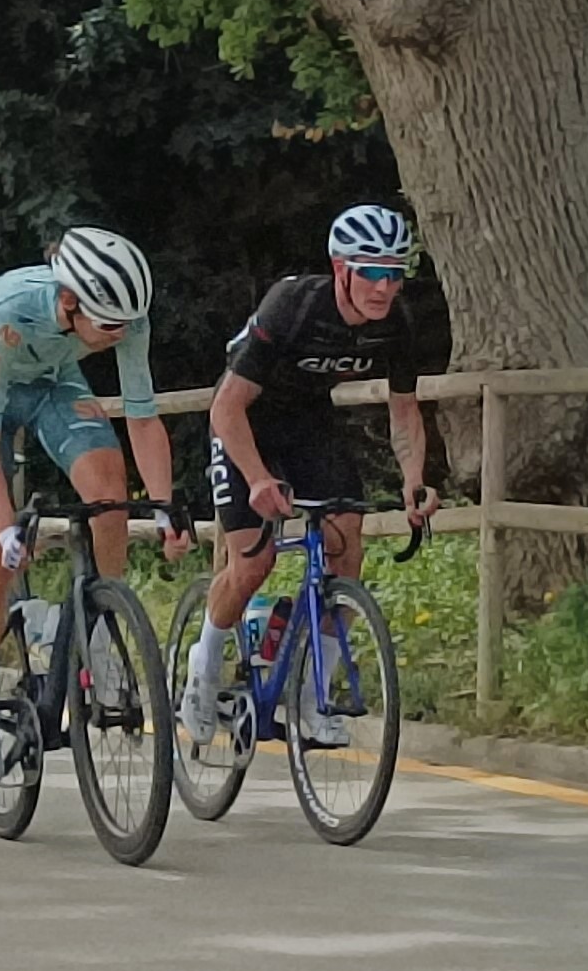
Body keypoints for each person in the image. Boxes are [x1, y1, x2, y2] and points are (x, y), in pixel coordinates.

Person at [183, 205, 438, 746]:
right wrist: (256, 480)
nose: (385, 286)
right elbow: (225, 409)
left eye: (396, 273)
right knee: (255, 561)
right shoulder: (293, 305)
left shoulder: (395, 322)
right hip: (244, 419)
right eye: (372, 271)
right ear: (341, 268)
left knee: (347, 544)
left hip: (306, 420)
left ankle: (308, 688)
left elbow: (404, 410)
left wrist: (414, 479)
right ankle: (203, 662)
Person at [0, 227, 194, 781]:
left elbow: (143, 416)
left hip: (54, 380)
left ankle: (97, 631)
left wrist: (161, 507)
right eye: (109, 326)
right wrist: (9, 531)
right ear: (68, 302)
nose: (120, 334)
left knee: (109, 486)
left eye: (129, 324)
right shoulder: (6, 318)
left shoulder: (123, 314)